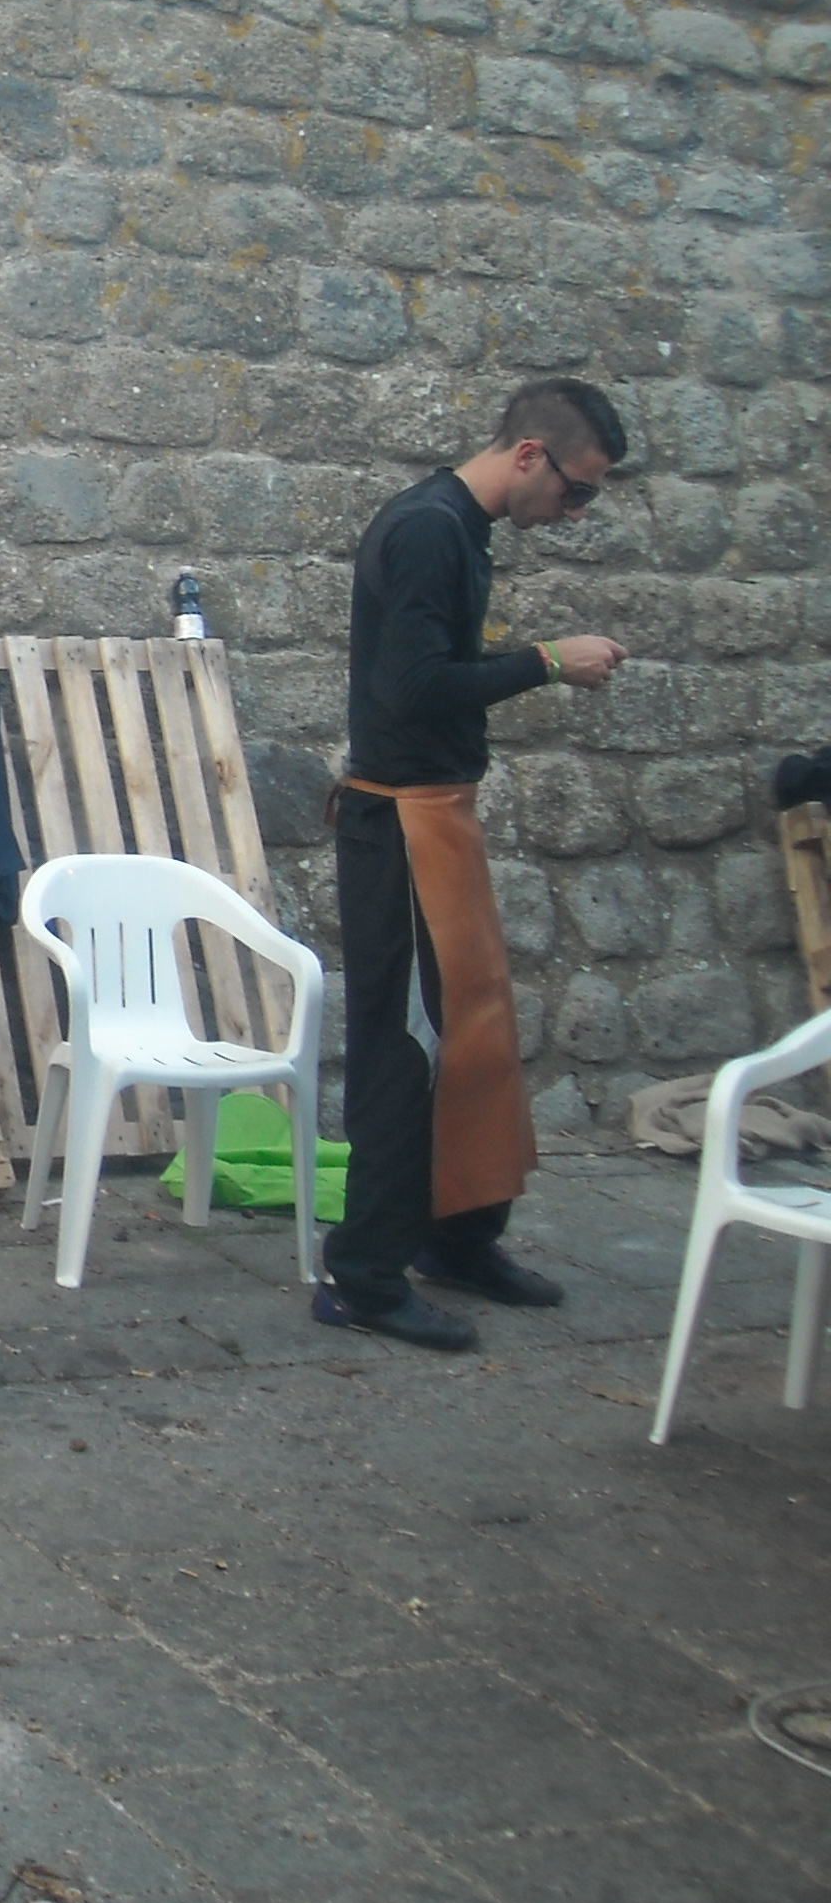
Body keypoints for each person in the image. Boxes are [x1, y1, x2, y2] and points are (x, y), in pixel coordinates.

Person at [319, 378, 629, 1349]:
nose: (575, 513)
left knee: (476, 1038)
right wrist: (547, 660)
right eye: (576, 489)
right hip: (400, 826)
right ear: (530, 455)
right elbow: (413, 691)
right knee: (405, 1052)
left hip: (438, 817)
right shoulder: (426, 530)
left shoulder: (460, 528)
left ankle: (458, 1239)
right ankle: (364, 1280)